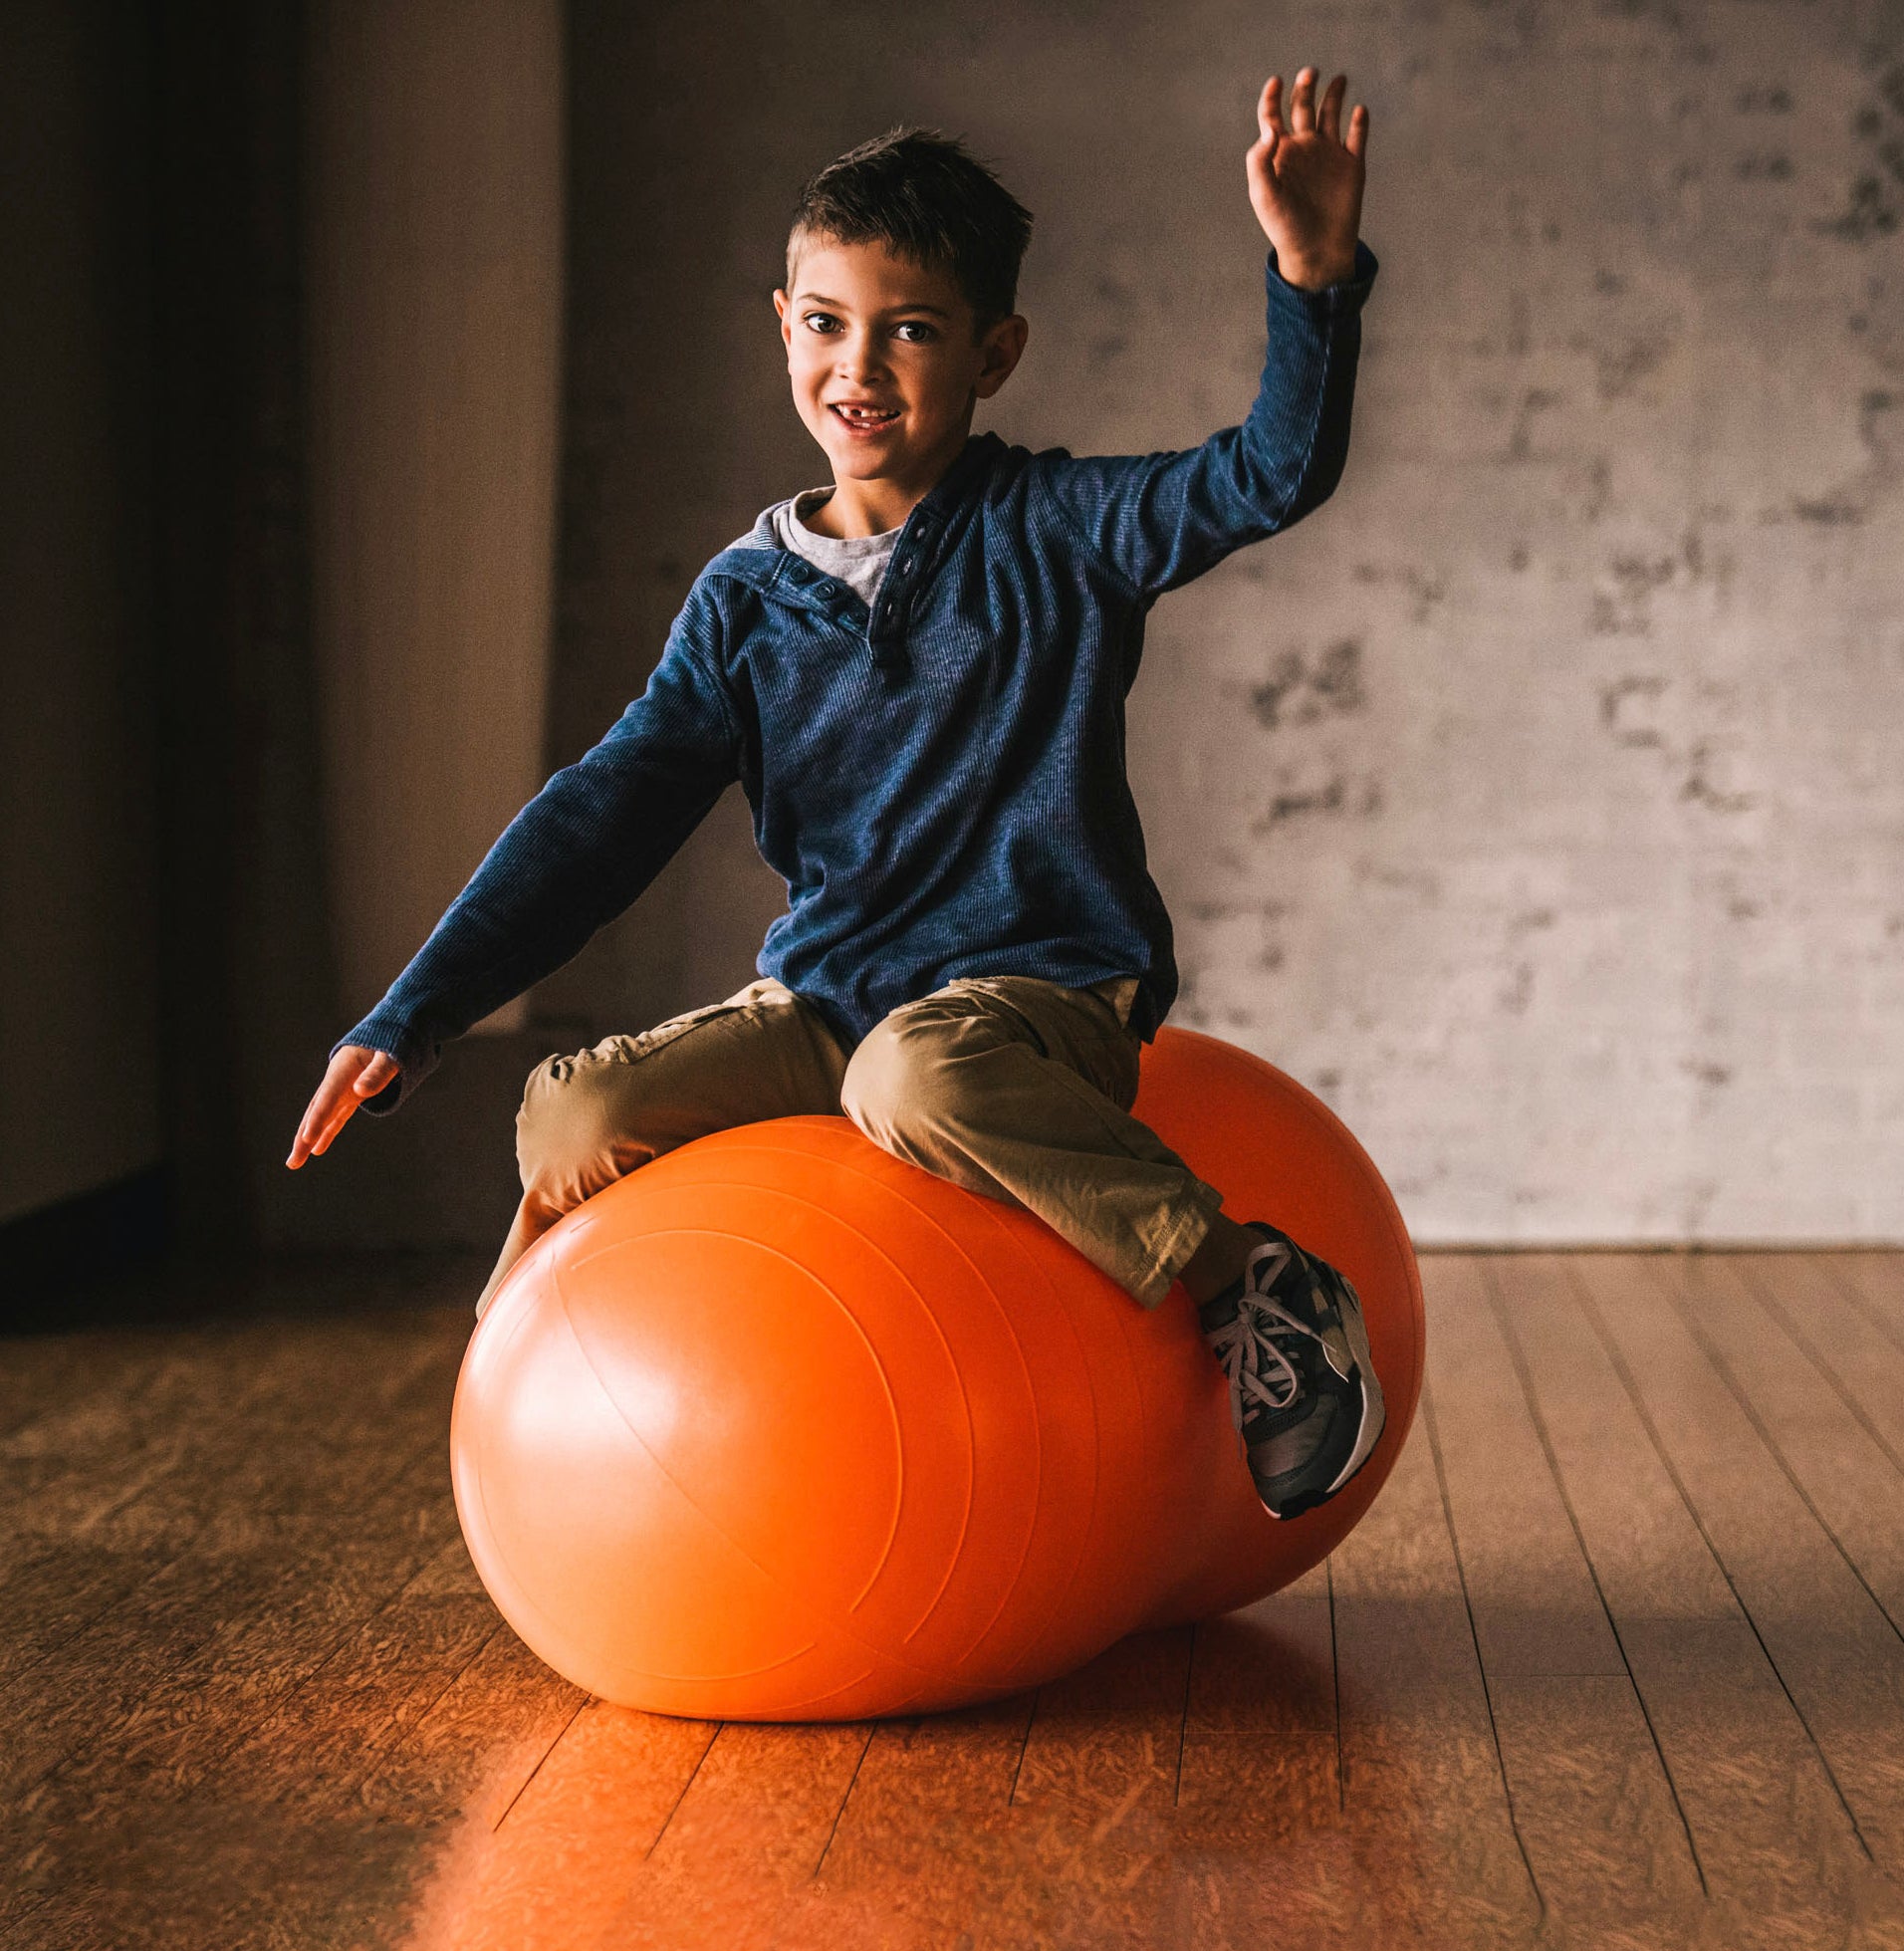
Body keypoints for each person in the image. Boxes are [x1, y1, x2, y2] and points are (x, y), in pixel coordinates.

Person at [289, 68, 1384, 1521]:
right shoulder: (743, 604)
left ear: (995, 352)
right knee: (575, 1118)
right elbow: (598, 817)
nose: (857, 365)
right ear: (784, 327)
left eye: (910, 329)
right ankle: (551, 1410)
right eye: (825, 323)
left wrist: (1312, 280)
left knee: (915, 1078)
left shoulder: (1060, 530)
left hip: (1040, 996)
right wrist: (411, 1014)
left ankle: (1255, 1279)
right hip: (831, 1004)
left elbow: (1267, 475)